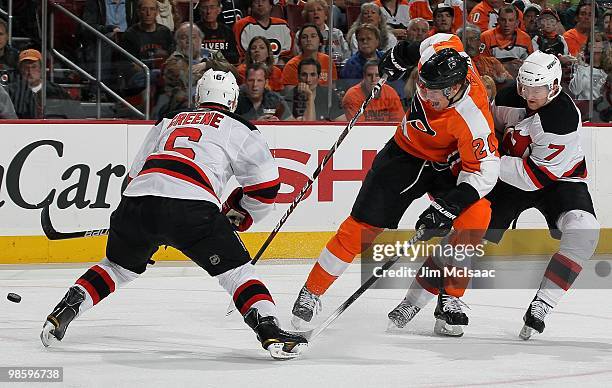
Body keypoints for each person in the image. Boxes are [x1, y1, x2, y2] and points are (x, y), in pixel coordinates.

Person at [39, 68, 308, 360]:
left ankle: (66, 308)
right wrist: (240, 212)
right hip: (191, 207)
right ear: (232, 100)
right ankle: (268, 328)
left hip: (137, 203)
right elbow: (266, 187)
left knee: (116, 267)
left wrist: (148, 225)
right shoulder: (239, 127)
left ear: (198, 97)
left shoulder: (169, 121)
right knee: (237, 272)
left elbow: (131, 180)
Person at [292, 34, 500, 336]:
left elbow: (485, 170)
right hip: (404, 153)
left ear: (455, 89)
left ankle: (449, 299)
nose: (425, 97)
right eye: (423, 88)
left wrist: (449, 206)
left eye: (434, 93)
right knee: (361, 226)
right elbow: (438, 38)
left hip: (449, 164)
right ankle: (312, 291)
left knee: (476, 216)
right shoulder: (441, 56)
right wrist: (402, 53)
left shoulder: (473, 118)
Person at [486, 51, 599, 339]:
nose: (528, 94)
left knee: (584, 231)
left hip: (556, 179)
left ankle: (542, 305)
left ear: (554, 86)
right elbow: (490, 129)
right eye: (524, 86)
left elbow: (533, 178)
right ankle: (435, 299)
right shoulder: (510, 96)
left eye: (537, 88)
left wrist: (487, 161)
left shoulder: (560, 119)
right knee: (470, 230)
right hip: (512, 174)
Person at [8, 49, 75, 119]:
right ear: (20, 70)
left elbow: (74, 114)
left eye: (34, 67)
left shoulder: (57, 91)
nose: (29, 71)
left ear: (41, 69)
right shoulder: (11, 92)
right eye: (26, 67)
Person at [282, 24, 338, 92]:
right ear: (299, 43)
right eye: (304, 37)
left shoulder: (328, 61)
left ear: (320, 42)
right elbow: (290, 93)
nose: (309, 39)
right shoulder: (291, 65)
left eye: (313, 36)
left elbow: (333, 89)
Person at [480, 5, 534, 77]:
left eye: (510, 20)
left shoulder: (525, 39)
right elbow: (481, 64)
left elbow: (531, 65)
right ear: (498, 20)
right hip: (494, 79)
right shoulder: (486, 37)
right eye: (503, 20)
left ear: (517, 22)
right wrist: (505, 66)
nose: (506, 24)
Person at [302, 0, 351, 64]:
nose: (315, 12)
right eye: (311, 11)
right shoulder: (302, 35)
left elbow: (347, 55)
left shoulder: (337, 33)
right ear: (307, 16)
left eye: (319, 9)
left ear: (326, 16)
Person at [197, 0, 240, 64]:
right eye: (204, 8)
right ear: (200, 10)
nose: (208, 11)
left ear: (219, 9)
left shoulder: (227, 31)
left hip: (224, 69)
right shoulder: (194, 31)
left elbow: (234, 57)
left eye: (212, 7)